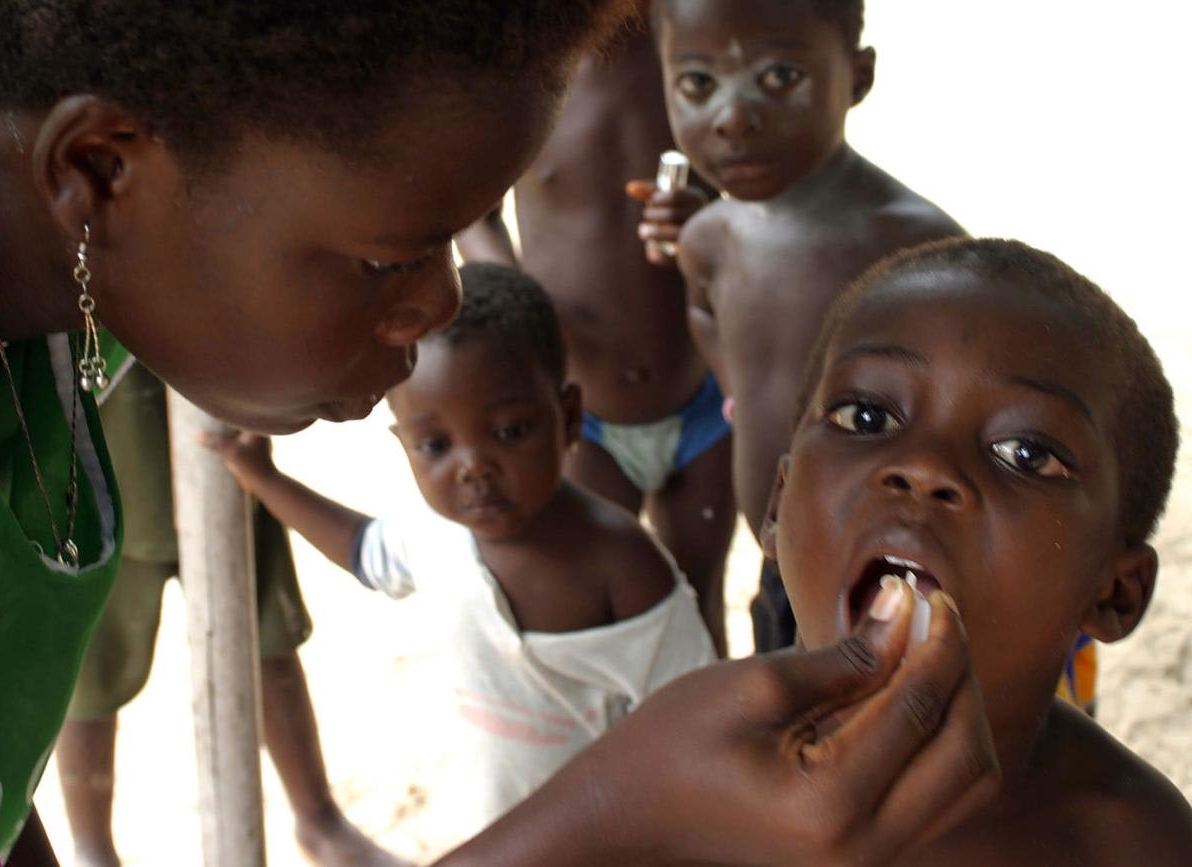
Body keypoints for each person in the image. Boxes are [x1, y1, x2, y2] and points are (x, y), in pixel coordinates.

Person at [0, 1, 999, 865]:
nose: (438, 308)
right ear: (96, 171)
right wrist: (620, 804)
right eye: (390, 258)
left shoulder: (22, 213)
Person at [206, 263, 718, 842]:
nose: (473, 467)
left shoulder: (621, 563)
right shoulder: (433, 534)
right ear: (403, 446)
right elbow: (363, 551)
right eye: (436, 445)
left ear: (568, 417)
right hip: (488, 832)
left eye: (510, 431)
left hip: (608, 846)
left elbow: (696, 717)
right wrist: (264, 480)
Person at [760, 237, 1192, 864]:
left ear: (1115, 593)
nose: (924, 467)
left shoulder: (1133, 845)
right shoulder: (670, 788)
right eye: (867, 417)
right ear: (777, 505)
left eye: (1027, 455)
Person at [648, 0, 963, 653]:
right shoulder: (709, 239)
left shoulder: (917, 250)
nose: (732, 117)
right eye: (698, 84)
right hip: (781, 558)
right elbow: (705, 312)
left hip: (889, 566)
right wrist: (740, 392)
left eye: (779, 76)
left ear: (857, 76)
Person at [456, 7, 736, 656]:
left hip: (703, 395)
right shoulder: (520, 61)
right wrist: (523, 307)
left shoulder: (698, 44)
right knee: (593, 616)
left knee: (700, 605)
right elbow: (474, 214)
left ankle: (705, 753)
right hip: (584, 416)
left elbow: (761, 179)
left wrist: (704, 216)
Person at [55, 362, 405, 867]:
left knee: (265, 640)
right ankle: (92, 847)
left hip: (217, 425)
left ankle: (318, 819)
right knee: (88, 673)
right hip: (97, 441)